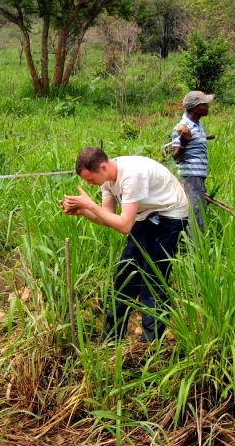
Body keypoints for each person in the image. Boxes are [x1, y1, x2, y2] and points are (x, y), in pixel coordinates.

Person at [61, 147, 189, 342]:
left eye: (90, 179)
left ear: (103, 167)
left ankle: (150, 343)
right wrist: (83, 211)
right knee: (125, 275)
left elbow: (125, 226)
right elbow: (108, 218)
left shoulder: (132, 175)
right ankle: (112, 337)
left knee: (152, 277)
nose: (89, 184)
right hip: (147, 216)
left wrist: (90, 205)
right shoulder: (106, 179)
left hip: (170, 215)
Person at [171, 90, 214, 230]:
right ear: (196, 108)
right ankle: (196, 250)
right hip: (191, 177)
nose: (208, 106)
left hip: (198, 176)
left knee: (198, 213)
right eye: (205, 104)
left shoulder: (198, 126)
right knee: (196, 217)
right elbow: (175, 157)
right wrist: (183, 142)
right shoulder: (182, 128)